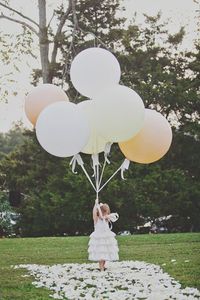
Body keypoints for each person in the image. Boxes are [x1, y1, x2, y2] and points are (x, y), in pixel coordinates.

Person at [88, 199, 119, 271]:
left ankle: (103, 266)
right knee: (101, 254)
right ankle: (101, 268)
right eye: (105, 212)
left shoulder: (106, 219)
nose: (106, 213)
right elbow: (94, 213)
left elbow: (108, 217)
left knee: (106, 253)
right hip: (99, 238)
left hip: (106, 238)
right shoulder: (96, 219)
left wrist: (105, 216)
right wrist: (95, 205)